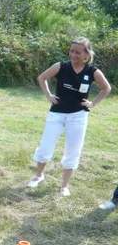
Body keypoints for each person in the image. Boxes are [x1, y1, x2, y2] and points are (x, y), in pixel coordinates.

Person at [27, 37, 111, 197]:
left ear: (86, 55)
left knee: (73, 150)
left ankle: (64, 186)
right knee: (45, 146)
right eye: (71, 51)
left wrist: (92, 104)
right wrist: (49, 95)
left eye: (78, 52)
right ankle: (38, 175)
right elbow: (42, 78)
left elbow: (106, 88)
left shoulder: (92, 71)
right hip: (57, 113)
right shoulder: (61, 66)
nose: (73, 54)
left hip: (78, 116)